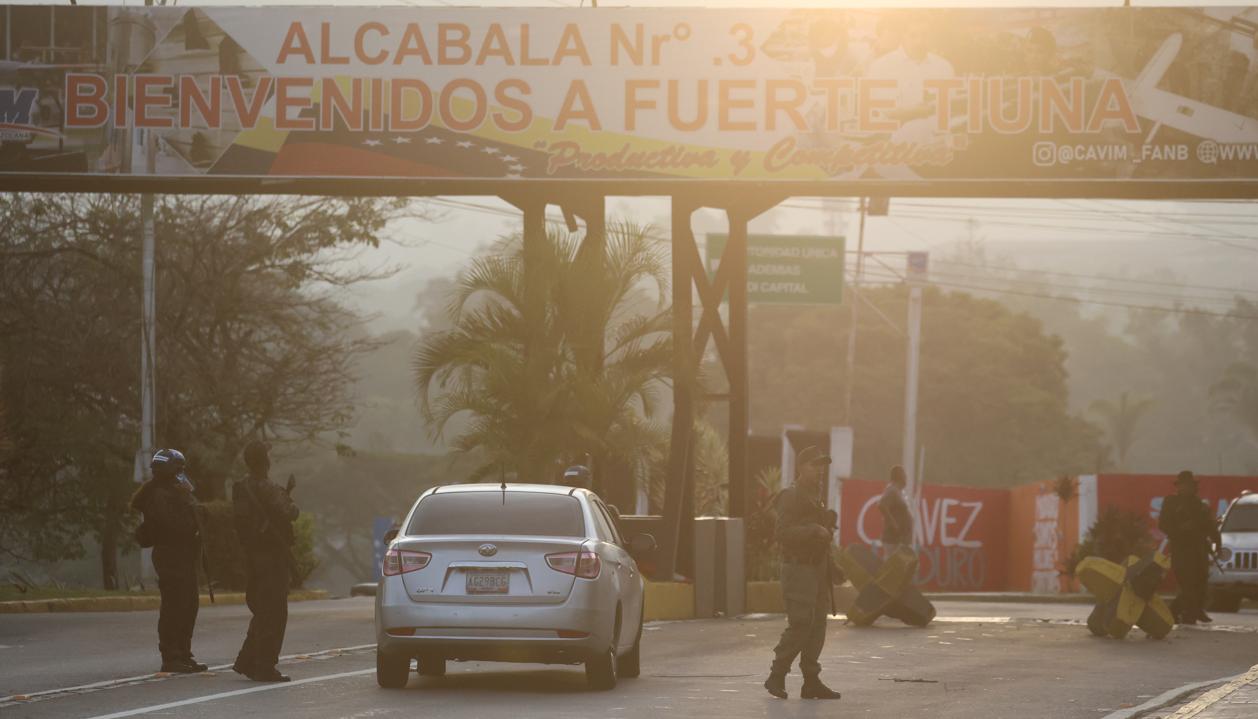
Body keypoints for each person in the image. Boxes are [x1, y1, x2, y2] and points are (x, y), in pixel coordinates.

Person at [764, 445, 842, 701]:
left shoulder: (814, 498)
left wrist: (832, 565)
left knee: (818, 625)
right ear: (801, 468)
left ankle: (811, 681)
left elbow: (820, 537)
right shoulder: (791, 495)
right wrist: (813, 529)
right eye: (814, 465)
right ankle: (777, 675)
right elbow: (782, 533)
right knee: (801, 624)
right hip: (798, 569)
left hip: (816, 569)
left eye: (822, 466)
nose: (819, 471)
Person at [130, 448, 207, 674]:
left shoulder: (171, 491)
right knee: (175, 606)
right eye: (178, 469)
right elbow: (175, 525)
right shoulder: (159, 495)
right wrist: (186, 497)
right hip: (170, 554)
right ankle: (171, 655)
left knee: (189, 604)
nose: (181, 474)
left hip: (182, 554)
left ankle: (183, 652)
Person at [232, 440, 299, 682]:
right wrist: (287, 497)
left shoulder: (240, 487)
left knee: (262, 610)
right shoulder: (269, 488)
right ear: (265, 462)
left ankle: (247, 660)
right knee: (274, 612)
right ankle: (264, 666)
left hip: (252, 556)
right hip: (271, 557)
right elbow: (291, 512)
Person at [1158, 470, 1220, 625]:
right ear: (1179, 486)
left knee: (1200, 581)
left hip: (1199, 549)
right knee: (1187, 583)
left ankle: (1178, 611)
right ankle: (1191, 613)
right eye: (1184, 485)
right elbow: (1163, 524)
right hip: (1181, 548)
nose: (1188, 488)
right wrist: (1180, 529)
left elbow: (1210, 525)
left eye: (1190, 485)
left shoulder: (1200, 505)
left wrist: (1217, 541)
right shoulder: (1171, 502)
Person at [879, 465, 914, 549]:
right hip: (893, 539)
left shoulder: (899, 491)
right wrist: (894, 524)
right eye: (904, 475)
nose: (906, 478)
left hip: (900, 539)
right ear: (899, 476)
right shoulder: (892, 490)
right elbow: (881, 505)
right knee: (893, 561)